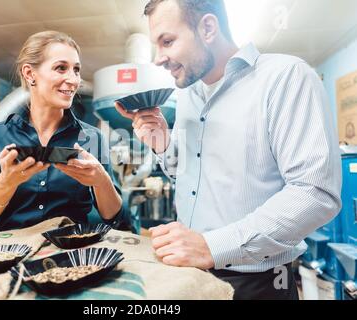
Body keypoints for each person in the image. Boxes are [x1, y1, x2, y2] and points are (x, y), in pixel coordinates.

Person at [115, 0, 342, 300]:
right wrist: (164, 145)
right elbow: (190, 179)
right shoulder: (189, 95)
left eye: (167, 41)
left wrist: (212, 246)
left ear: (208, 27)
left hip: (258, 283)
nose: (159, 58)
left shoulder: (285, 77)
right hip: (191, 274)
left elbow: (315, 193)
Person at [0, 31, 123, 232]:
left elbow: (113, 215)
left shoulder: (92, 138)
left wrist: (101, 180)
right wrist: (6, 182)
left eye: (76, 70)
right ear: (30, 74)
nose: (74, 80)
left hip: (73, 253)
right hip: (17, 255)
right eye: (61, 68)